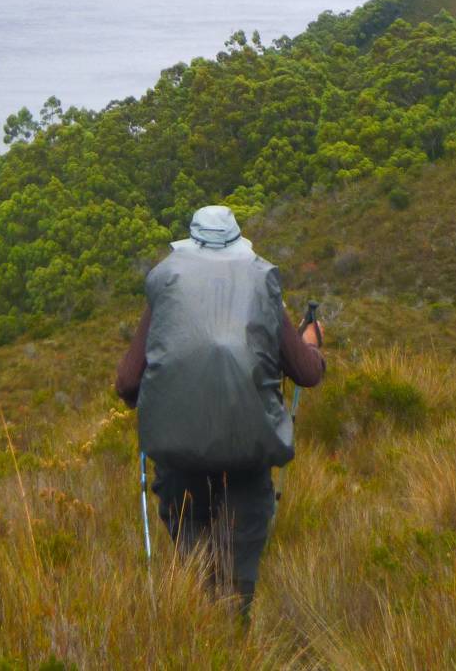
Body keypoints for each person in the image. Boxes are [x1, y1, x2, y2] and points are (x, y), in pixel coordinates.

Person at [115, 204, 324, 617]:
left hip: (179, 463)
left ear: (190, 247)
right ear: (238, 246)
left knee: (193, 570)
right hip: (247, 458)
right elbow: (306, 373)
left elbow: (127, 383)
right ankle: (232, 639)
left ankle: (193, 635)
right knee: (235, 578)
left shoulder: (168, 288)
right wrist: (313, 343)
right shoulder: (262, 288)